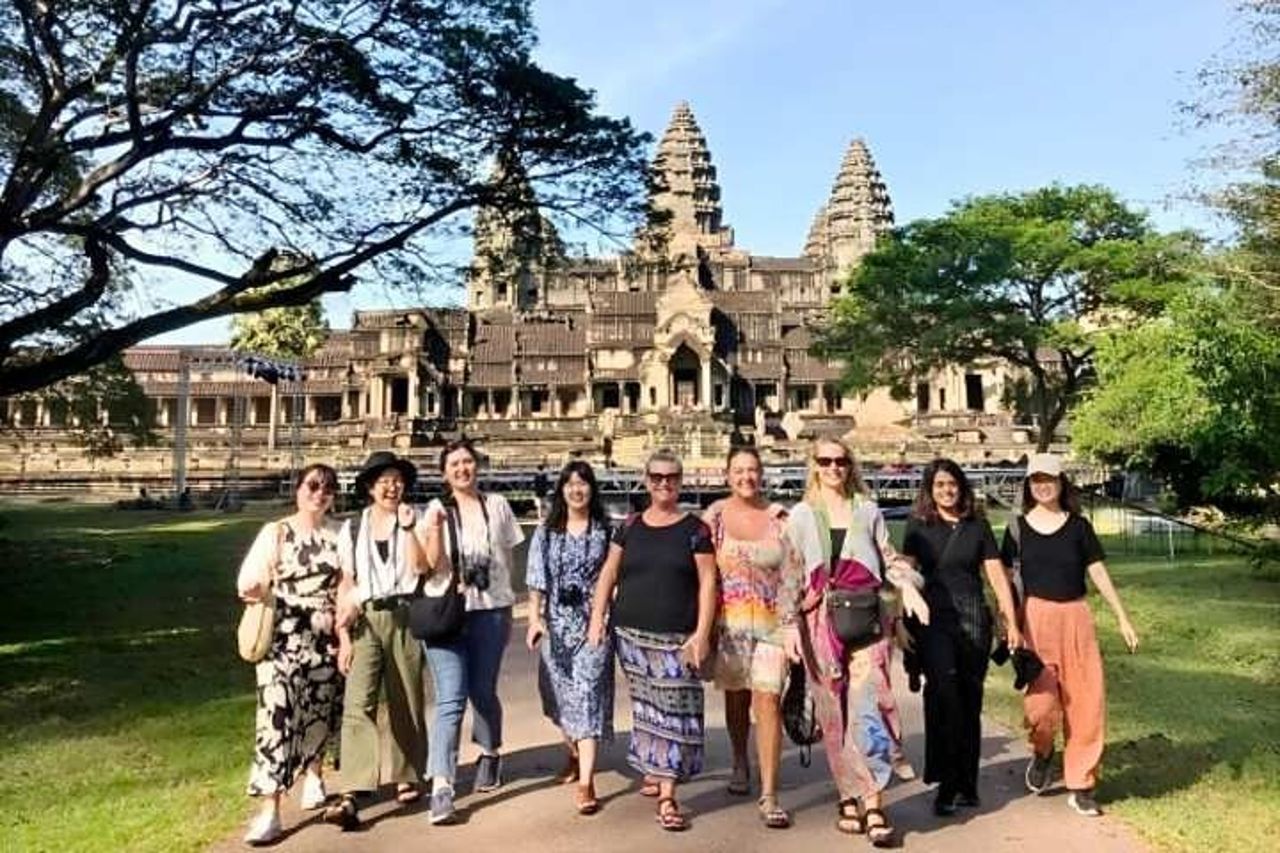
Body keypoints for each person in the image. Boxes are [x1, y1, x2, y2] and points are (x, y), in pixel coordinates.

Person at [779, 436, 929, 848]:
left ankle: (875, 802)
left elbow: (889, 558)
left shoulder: (868, 510)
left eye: (841, 461)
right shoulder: (802, 516)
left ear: (851, 466)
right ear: (814, 466)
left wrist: (909, 587)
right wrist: (789, 625)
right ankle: (849, 793)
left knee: (873, 705)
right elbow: (790, 575)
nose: (833, 469)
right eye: (825, 462)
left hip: (867, 617)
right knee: (833, 711)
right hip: (819, 620)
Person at [587, 449, 717, 832]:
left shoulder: (695, 530)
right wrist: (597, 618)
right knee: (647, 709)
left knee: (675, 712)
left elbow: (708, 582)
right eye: (657, 477)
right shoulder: (629, 526)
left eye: (672, 477)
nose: (665, 483)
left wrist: (702, 634)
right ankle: (658, 771)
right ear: (646, 481)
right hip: (631, 633)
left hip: (677, 634)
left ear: (680, 482)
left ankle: (667, 794)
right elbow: (609, 572)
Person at [1002, 453, 1138, 818]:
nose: (1042, 485)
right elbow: (1005, 584)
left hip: (1076, 618)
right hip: (1035, 619)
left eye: (1049, 478)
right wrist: (1009, 626)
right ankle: (1044, 751)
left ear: (1062, 483)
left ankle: (1081, 783)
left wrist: (1122, 618)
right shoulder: (1017, 529)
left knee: (1086, 701)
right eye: (1035, 480)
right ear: (1028, 486)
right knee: (1041, 707)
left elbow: (1098, 573)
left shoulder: (1079, 527)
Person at [901, 459, 1023, 816]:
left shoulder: (978, 527)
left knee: (970, 700)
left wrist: (1010, 621)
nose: (946, 491)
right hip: (933, 617)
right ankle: (946, 782)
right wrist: (898, 620)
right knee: (944, 694)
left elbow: (997, 577)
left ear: (962, 487)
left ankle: (966, 782)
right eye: (939, 485)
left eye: (952, 484)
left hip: (972, 617)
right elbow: (905, 572)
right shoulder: (918, 526)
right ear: (929, 489)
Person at [237, 464, 348, 845]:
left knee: (321, 711)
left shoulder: (341, 533)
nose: (320, 494)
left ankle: (314, 773)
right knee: (276, 721)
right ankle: (270, 810)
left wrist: (346, 622)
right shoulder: (276, 532)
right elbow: (249, 578)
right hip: (283, 640)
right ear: (298, 490)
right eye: (313, 486)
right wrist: (253, 586)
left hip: (325, 639)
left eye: (328, 488)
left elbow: (350, 583)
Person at [420, 439, 525, 824]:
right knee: (451, 698)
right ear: (444, 472)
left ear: (477, 466)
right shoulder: (435, 510)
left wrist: (509, 598)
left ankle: (490, 750)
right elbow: (428, 566)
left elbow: (509, 555)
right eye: (455, 464)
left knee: (483, 689)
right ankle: (442, 785)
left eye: (468, 462)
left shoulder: (497, 505)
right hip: (449, 612)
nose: (463, 469)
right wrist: (433, 532)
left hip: (491, 611)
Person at [324, 452, 428, 830]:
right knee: (358, 701)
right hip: (365, 617)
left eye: (397, 480)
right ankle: (354, 785)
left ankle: (408, 772)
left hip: (404, 614)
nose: (391, 486)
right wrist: (343, 636)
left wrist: (412, 528)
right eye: (383, 480)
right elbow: (346, 583)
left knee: (407, 698)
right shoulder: (353, 529)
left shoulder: (415, 520)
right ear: (370, 487)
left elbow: (421, 568)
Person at [702, 446, 792, 828]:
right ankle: (740, 758)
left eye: (752, 470)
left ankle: (770, 792)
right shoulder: (714, 519)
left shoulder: (780, 519)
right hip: (730, 625)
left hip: (772, 626)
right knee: (737, 697)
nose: (746, 477)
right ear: (727, 475)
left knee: (768, 700)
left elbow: (796, 574)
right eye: (738, 471)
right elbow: (700, 573)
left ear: (762, 474)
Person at [525, 460, 615, 815]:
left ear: (592, 489)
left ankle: (586, 783)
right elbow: (535, 579)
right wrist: (534, 619)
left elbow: (615, 577)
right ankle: (575, 753)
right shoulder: (547, 532)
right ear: (562, 490)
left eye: (583, 483)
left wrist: (604, 616)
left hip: (594, 623)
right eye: (570, 484)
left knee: (588, 697)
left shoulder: (604, 531)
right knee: (557, 696)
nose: (577, 490)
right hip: (557, 624)